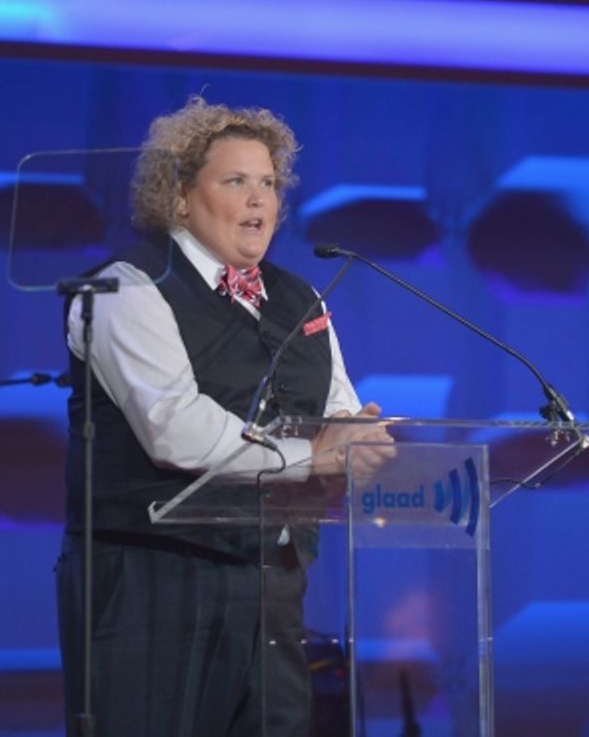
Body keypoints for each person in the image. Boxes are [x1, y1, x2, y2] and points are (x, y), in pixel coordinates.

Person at [56, 96, 393, 737]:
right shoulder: (129, 287)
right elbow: (175, 428)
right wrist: (312, 456)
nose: (259, 199)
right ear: (180, 197)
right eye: (236, 181)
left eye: (268, 183)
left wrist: (362, 441)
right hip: (151, 582)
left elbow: (337, 410)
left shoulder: (303, 295)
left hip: (272, 582)